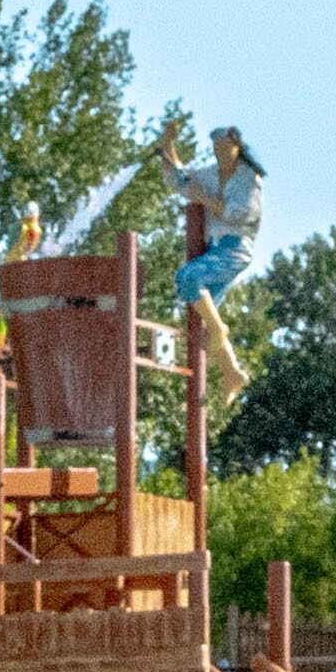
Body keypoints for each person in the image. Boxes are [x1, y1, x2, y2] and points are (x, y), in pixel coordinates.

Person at [139, 112, 263, 435]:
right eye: (215, 149)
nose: (219, 155)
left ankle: (220, 330)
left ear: (236, 146)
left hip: (233, 249)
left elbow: (240, 215)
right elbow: (178, 178)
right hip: (213, 250)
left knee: (187, 279)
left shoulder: (249, 179)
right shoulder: (209, 174)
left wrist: (205, 198)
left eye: (224, 148)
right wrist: (168, 143)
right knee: (200, 328)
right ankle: (232, 371)